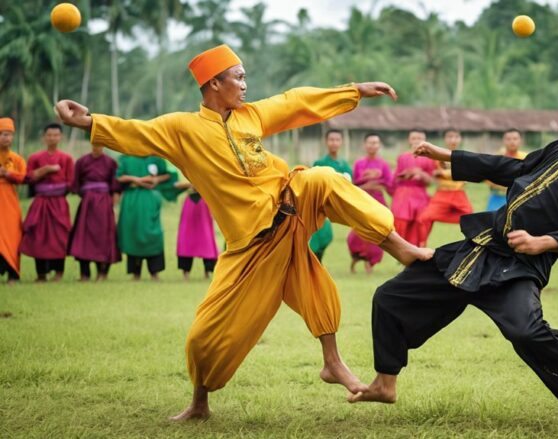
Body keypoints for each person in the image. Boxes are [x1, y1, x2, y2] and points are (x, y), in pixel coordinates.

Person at [55, 44, 431, 421]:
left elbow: (294, 102)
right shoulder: (181, 129)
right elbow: (135, 133)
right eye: (238, 77)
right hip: (248, 244)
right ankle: (199, 403)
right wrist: (88, 122)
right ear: (215, 83)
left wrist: (354, 90)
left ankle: (398, 250)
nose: (245, 84)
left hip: (289, 203)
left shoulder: (250, 116)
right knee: (205, 338)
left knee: (323, 179)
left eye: (244, 76)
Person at [349, 81, 558, 426]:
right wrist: (446, 155)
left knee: (527, 332)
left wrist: (544, 242)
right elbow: (511, 168)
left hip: (519, 266)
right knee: (390, 296)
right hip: (482, 247)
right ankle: (385, 384)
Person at [20, 123, 74, 282]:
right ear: (44, 137)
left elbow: (71, 183)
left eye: (56, 135)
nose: (52, 138)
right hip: (41, 202)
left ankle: (59, 272)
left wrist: (57, 187)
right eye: (49, 135)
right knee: (39, 235)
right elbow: (28, 178)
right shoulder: (35, 158)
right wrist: (47, 170)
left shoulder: (66, 159)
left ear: (61, 137)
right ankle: (41, 274)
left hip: (59, 203)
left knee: (59, 235)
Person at [68, 145, 121, 281]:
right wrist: (87, 196)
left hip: (104, 203)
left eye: (100, 144)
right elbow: (76, 184)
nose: (97, 147)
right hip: (87, 203)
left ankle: (102, 273)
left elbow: (115, 186)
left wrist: (112, 204)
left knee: (104, 236)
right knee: (83, 236)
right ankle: (84, 274)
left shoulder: (110, 162)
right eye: (94, 143)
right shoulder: (82, 161)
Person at [116, 154, 171, 281]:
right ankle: (136, 272)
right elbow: (119, 176)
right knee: (134, 233)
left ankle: (154, 271)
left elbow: (168, 174)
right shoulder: (126, 158)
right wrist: (137, 180)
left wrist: (156, 180)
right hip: (132, 200)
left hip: (150, 199)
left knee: (153, 234)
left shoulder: (156, 158)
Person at [417, 129, 474, 246]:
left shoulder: (465, 155)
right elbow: (433, 173)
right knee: (424, 218)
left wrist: (443, 173)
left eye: (456, 137)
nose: (453, 140)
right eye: (449, 137)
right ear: (445, 139)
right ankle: (422, 246)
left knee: (471, 218)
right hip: (442, 193)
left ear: (460, 139)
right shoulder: (437, 155)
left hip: (458, 193)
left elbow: (467, 173)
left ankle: (472, 246)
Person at [347, 133, 394, 273]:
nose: (372, 145)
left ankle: (370, 262)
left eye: (375, 143)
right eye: (370, 142)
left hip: (378, 202)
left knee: (377, 232)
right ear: (364, 145)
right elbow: (353, 185)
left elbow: (390, 184)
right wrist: (366, 186)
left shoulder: (383, 164)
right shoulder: (358, 164)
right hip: (362, 201)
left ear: (379, 145)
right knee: (357, 233)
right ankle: (356, 257)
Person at [309, 129, 353, 262]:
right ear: (326, 142)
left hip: (334, 206)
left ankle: (315, 263)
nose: (334, 143)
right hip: (320, 205)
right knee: (321, 235)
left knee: (327, 236)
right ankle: (314, 263)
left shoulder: (344, 165)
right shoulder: (319, 163)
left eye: (337, 140)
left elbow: (349, 185)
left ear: (341, 142)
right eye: (331, 140)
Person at [391, 129, 435, 245]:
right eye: (414, 138)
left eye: (420, 139)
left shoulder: (430, 159)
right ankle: (401, 248)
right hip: (403, 194)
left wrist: (421, 174)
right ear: (409, 140)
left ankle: (418, 248)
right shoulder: (402, 157)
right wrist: (406, 174)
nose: (416, 141)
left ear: (425, 141)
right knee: (401, 222)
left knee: (421, 222)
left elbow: (430, 181)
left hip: (420, 194)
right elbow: (396, 178)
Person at [175, 175, 219, 281]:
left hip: (204, 203)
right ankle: (185, 272)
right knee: (186, 238)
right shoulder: (186, 170)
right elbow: (176, 184)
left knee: (206, 239)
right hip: (190, 203)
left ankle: (207, 272)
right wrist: (193, 184)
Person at [0, 118, 26, 284]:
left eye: (9, 135)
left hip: (10, 200)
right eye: (3, 134)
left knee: (13, 235)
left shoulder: (16, 159)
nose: (6, 138)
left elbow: (24, 177)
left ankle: (13, 273)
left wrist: (7, 174)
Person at [486, 129, 527, 211]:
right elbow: (487, 178)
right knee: (494, 222)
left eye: (515, 139)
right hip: (497, 199)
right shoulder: (496, 158)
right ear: (503, 141)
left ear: (520, 141)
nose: (512, 142)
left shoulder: (526, 158)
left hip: (519, 200)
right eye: (508, 139)